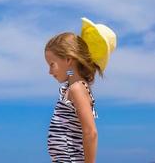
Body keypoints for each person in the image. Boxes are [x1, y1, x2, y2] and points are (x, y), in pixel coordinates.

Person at [44, 17, 117, 163]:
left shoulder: (77, 89)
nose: (50, 72)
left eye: (52, 64)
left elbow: (90, 132)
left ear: (68, 60)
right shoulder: (71, 88)